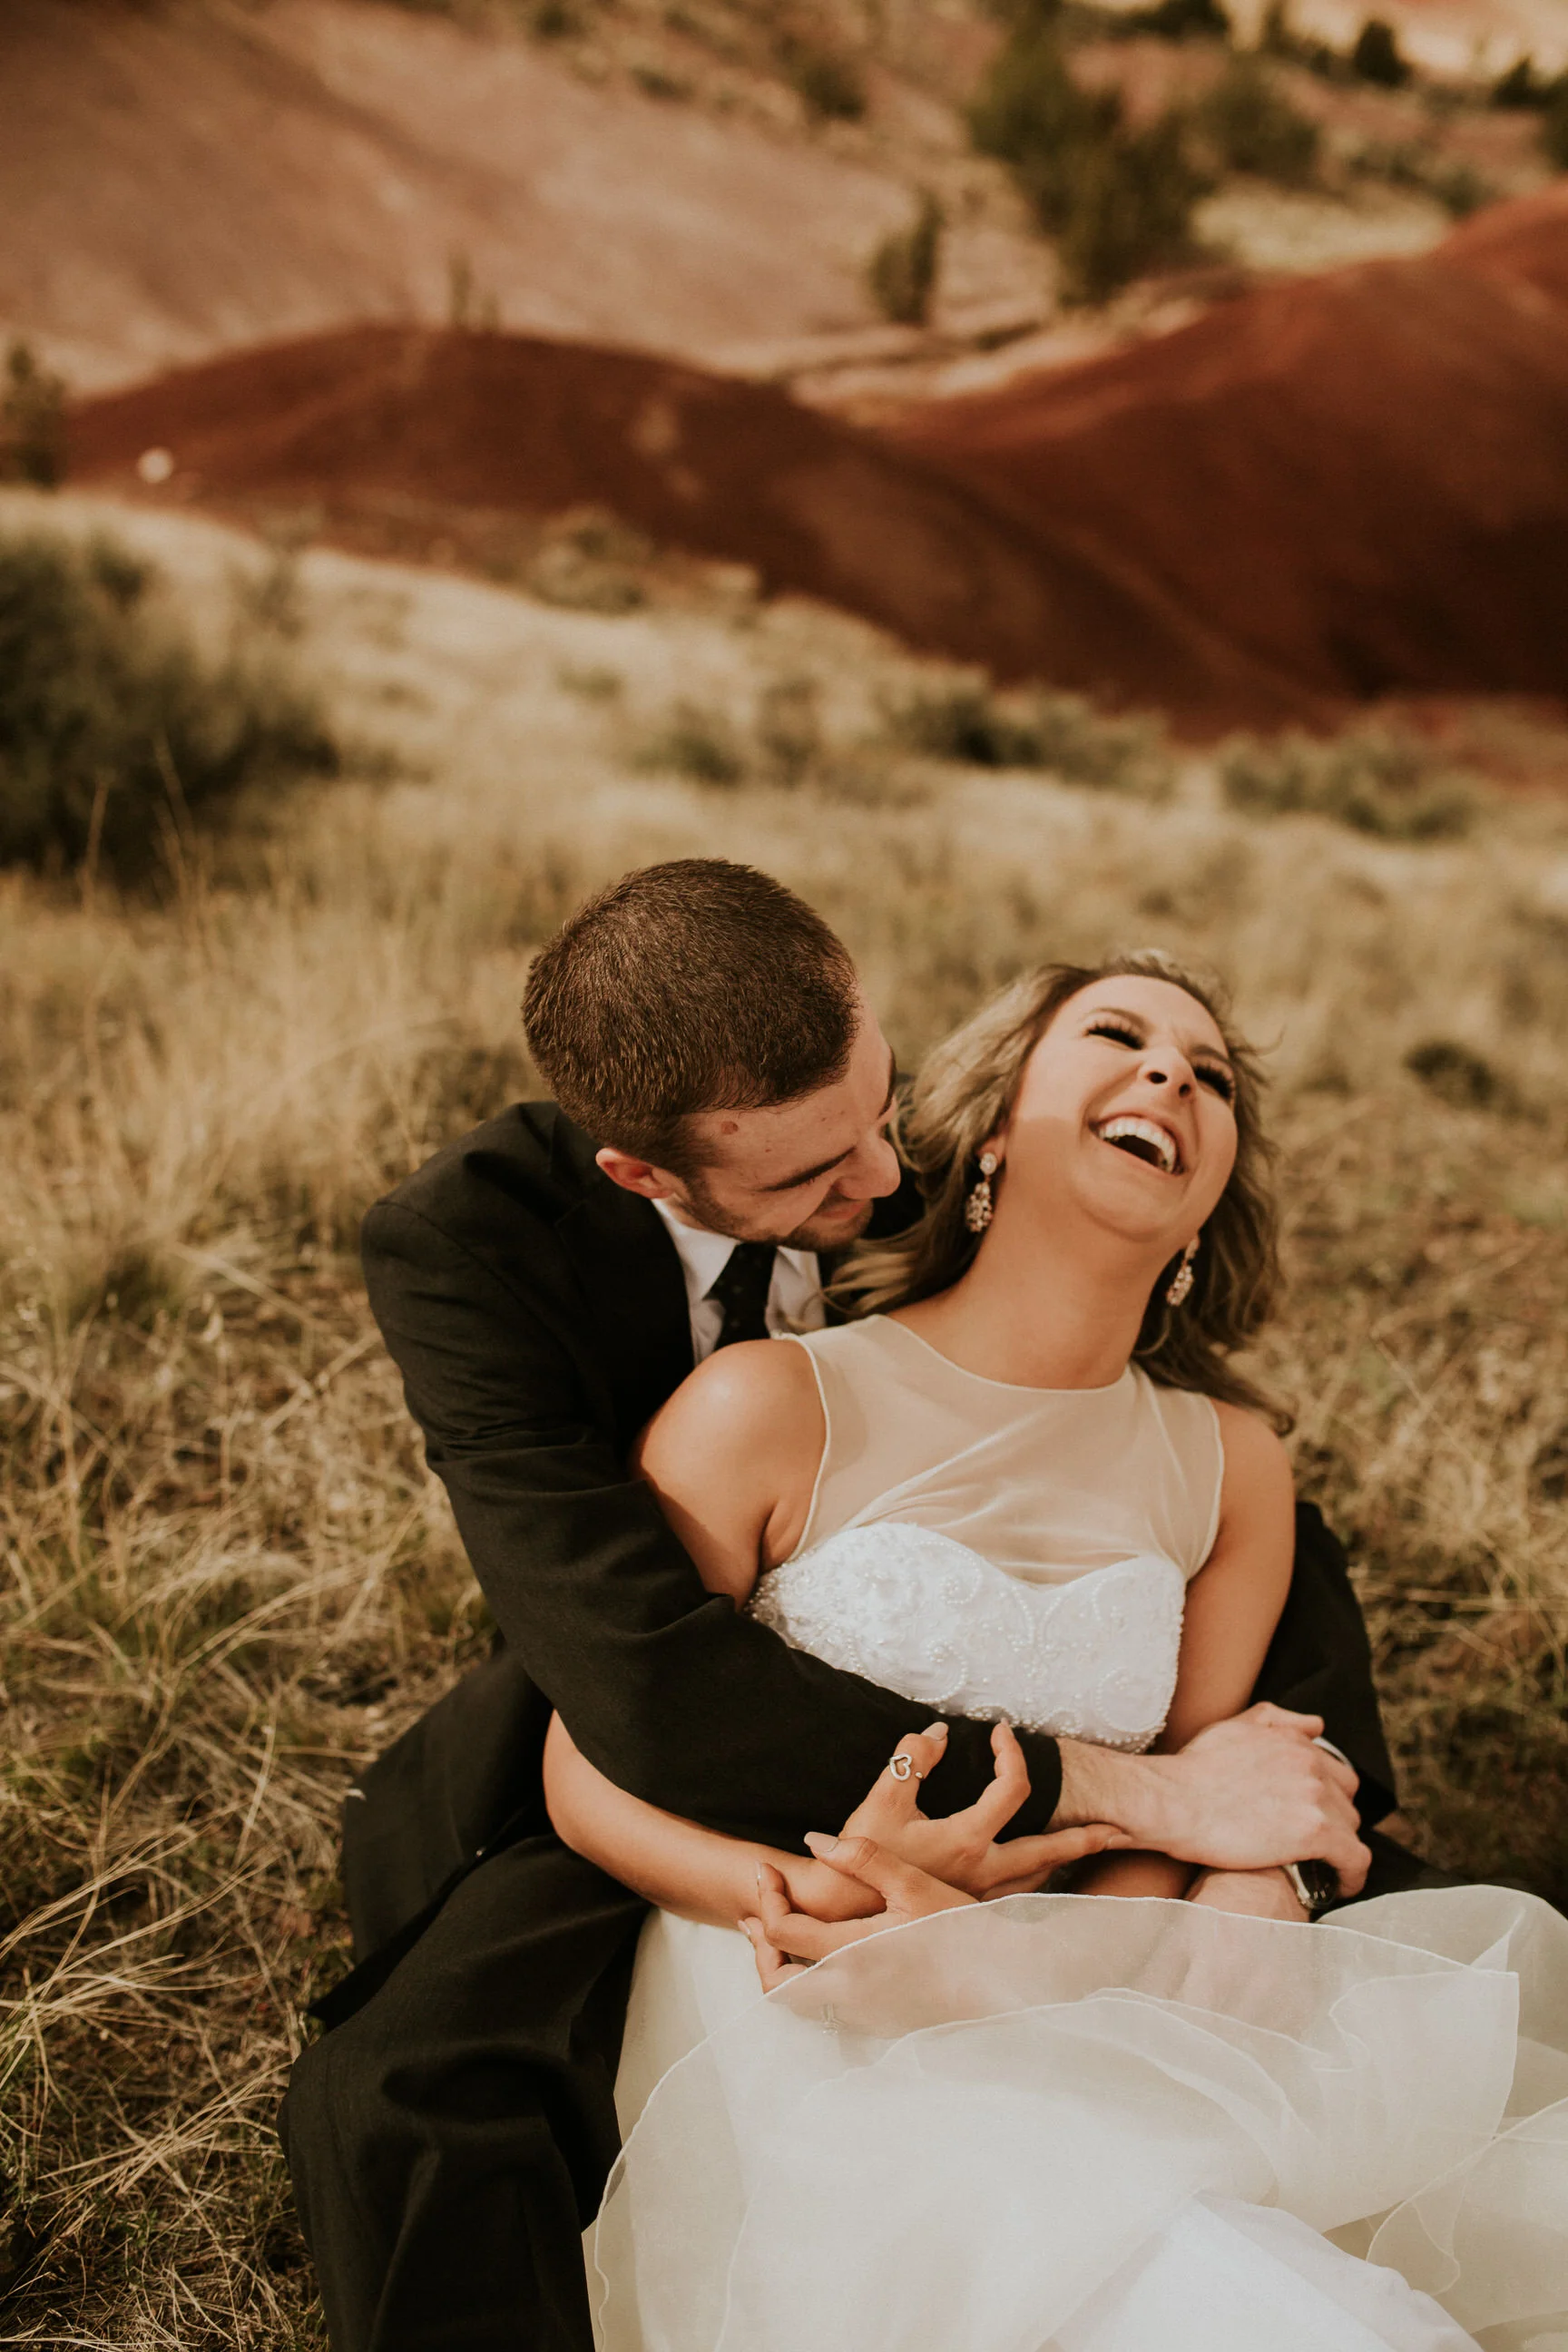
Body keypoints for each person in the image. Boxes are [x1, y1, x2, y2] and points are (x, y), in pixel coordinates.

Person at [279, 861, 1413, 2352]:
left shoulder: (953, 1141)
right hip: (677, 1736)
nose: (885, 1181)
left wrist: (1260, 1836)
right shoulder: (479, 1251)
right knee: (411, 2103)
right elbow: (634, 1683)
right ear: (652, 1176)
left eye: (888, 1114)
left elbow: (1202, 1518)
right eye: (818, 1174)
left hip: (1048, 1909)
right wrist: (865, 1899)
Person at [542, 949, 1568, 2352]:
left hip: (1077, 1992)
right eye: (1121, 1037)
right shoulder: (771, 1403)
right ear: (991, 1126)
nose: (1172, 1077)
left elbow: (1185, 1789)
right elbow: (592, 1755)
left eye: (1211, 1077)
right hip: (784, 1995)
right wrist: (813, 1913)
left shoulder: (1231, 1466)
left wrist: (1029, 1970)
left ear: (1209, 1201)